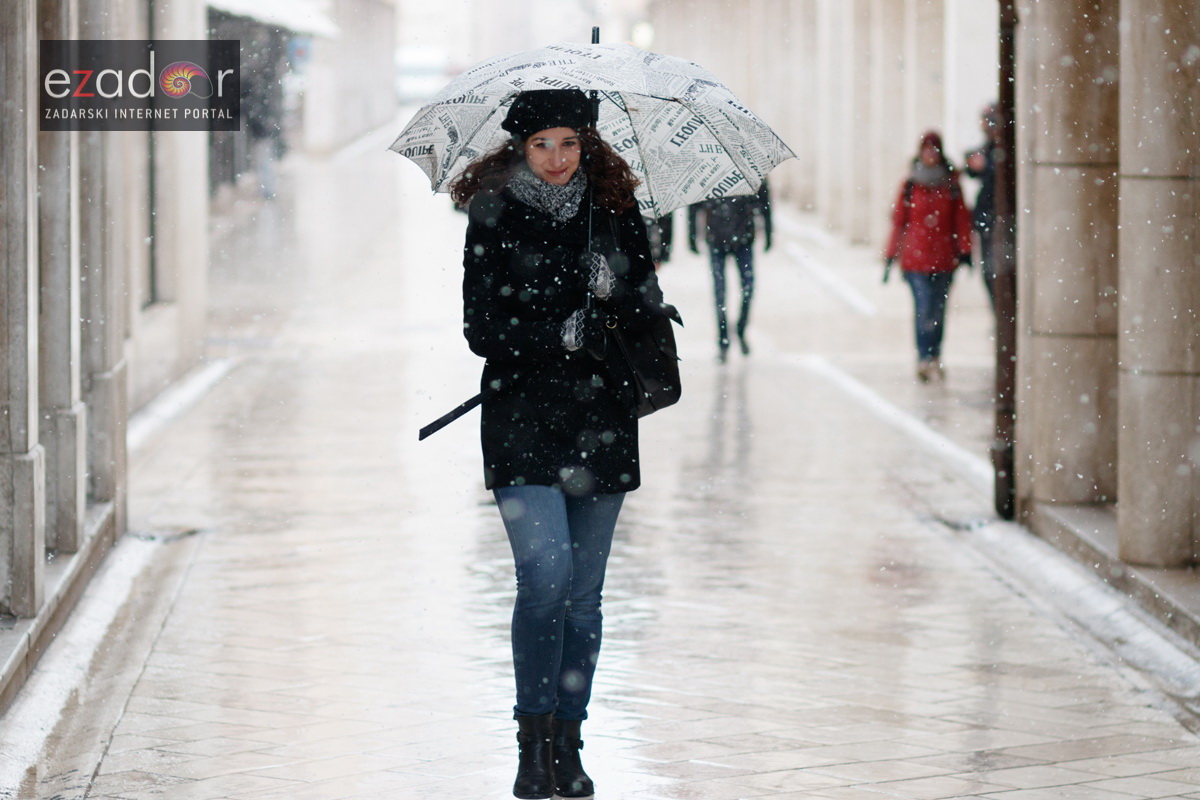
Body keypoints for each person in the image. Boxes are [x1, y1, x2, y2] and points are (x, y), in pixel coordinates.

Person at [449, 88, 672, 800]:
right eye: (542, 144)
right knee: (544, 579)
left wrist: (618, 296)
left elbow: (646, 305)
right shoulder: (492, 210)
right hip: (520, 417)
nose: (555, 159)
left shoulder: (614, 211)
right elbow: (480, 328)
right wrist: (552, 335)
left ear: (588, 145)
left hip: (601, 420)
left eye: (569, 144)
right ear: (520, 146)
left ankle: (570, 744)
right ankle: (532, 744)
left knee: (583, 597)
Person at [883, 130, 972, 383]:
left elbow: (961, 220)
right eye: (926, 150)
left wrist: (965, 251)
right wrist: (891, 254)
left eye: (934, 150)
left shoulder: (951, 185)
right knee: (923, 309)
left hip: (944, 260)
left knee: (939, 310)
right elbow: (899, 221)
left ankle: (935, 355)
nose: (930, 155)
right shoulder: (910, 185)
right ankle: (924, 356)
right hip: (915, 261)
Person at [687, 181, 772, 361]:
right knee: (720, 292)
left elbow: (764, 201)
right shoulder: (707, 172)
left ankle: (740, 330)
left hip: (744, 238)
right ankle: (723, 338)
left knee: (748, 288)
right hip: (716, 238)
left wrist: (768, 232)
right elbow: (694, 205)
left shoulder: (750, 169)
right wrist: (692, 236)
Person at [965, 103, 1000, 309]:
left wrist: (985, 165)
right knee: (989, 271)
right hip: (986, 218)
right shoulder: (988, 147)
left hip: (999, 218)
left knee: (997, 271)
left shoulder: (1001, 149)